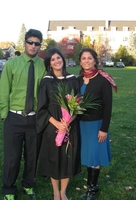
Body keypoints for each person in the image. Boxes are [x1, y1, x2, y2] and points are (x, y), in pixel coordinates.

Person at [0, 29, 46, 200]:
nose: (33, 46)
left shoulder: (43, 65)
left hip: (35, 118)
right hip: (14, 117)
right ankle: (8, 189)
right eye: (30, 42)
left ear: (40, 46)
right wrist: (5, 114)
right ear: (24, 43)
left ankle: (28, 184)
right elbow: (4, 90)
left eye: (37, 43)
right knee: (12, 156)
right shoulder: (12, 64)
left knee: (32, 155)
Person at [36, 48, 81, 200]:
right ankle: (56, 192)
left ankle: (63, 192)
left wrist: (70, 120)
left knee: (68, 158)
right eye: (52, 59)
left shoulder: (73, 80)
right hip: (53, 127)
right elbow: (41, 109)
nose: (56, 61)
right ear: (49, 63)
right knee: (54, 158)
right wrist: (57, 123)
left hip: (70, 127)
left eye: (58, 57)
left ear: (63, 58)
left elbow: (78, 104)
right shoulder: (46, 82)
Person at [77, 48, 117, 200]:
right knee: (88, 156)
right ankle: (92, 186)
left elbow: (108, 106)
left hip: (96, 125)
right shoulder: (78, 79)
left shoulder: (102, 80)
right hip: (82, 125)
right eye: (83, 58)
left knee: (95, 156)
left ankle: (92, 189)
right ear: (80, 61)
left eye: (89, 58)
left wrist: (104, 129)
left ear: (94, 60)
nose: (86, 61)